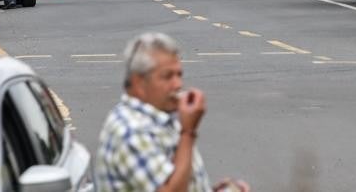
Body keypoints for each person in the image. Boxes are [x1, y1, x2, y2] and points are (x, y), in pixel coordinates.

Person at [96, 33, 250, 192]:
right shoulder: (130, 131)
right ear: (138, 82)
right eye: (167, 76)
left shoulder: (160, 116)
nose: (178, 84)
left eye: (179, 75)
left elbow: (177, 177)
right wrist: (188, 132)